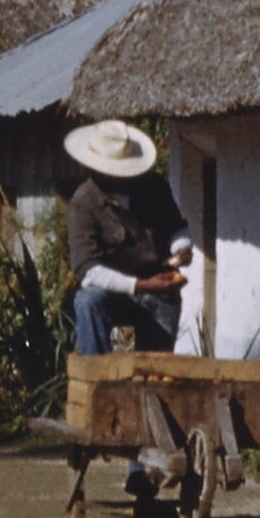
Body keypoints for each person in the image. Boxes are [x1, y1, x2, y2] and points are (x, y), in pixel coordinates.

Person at [62, 120, 190, 357]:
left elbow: (176, 227)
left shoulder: (154, 186)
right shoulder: (84, 202)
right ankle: (95, 374)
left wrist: (181, 248)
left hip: (158, 289)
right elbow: (89, 271)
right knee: (88, 301)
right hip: (111, 294)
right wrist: (140, 286)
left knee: (155, 367)